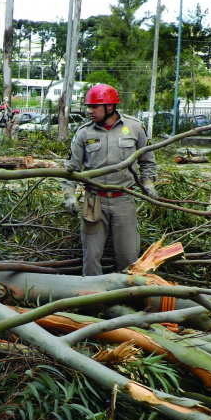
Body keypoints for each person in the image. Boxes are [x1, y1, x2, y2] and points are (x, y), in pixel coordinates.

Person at [63, 84, 157, 276]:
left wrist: (148, 183)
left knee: (129, 257)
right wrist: (69, 195)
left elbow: (148, 161)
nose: (89, 111)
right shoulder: (83, 133)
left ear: (110, 107)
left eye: (94, 107)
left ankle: (126, 299)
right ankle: (92, 300)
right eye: (88, 106)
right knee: (91, 257)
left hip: (124, 199)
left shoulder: (135, 127)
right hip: (93, 201)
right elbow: (70, 169)